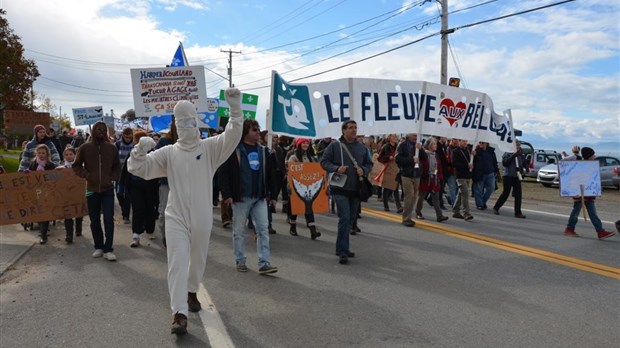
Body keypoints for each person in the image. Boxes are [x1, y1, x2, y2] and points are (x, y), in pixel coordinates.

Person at [127, 89, 243, 335]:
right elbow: (139, 168)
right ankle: (178, 313)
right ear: (175, 125)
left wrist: (235, 109)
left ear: (197, 121)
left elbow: (232, 136)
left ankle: (192, 291)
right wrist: (139, 150)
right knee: (177, 263)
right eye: (181, 122)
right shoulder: (169, 152)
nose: (186, 126)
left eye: (190, 120)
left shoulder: (210, 148)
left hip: (201, 216)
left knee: (197, 259)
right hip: (175, 216)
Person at [219, 119, 279, 274]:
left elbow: (271, 174)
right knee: (238, 231)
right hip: (241, 197)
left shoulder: (264, 151)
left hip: (259, 197)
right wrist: (227, 194)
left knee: (263, 230)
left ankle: (264, 263)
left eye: (258, 129)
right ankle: (240, 260)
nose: (258, 132)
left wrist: (273, 195)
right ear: (245, 132)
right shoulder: (234, 151)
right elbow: (223, 173)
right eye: (254, 130)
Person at [321, 120, 372, 265]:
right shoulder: (335, 146)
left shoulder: (361, 148)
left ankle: (342, 246)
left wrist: (364, 170)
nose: (354, 130)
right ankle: (343, 251)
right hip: (339, 188)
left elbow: (369, 163)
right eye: (350, 128)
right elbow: (323, 162)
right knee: (344, 217)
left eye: (355, 128)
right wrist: (336, 168)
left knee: (350, 220)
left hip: (356, 189)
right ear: (343, 130)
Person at [73, 121, 121, 261]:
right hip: (91, 189)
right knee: (94, 220)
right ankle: (98, 246)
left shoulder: (111, 148)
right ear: (93, 131)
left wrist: (112, 178)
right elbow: (76, 166)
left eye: (103, 129)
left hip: (107, 189)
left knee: (108, 219)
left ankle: (108, 249)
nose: (100, 131)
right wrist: (88, 176)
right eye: (98, 129)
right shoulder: (85, 148)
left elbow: (117, 167)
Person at [563, 147, 615, 240]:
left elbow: (592, 180)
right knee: (575, 213)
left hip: (589, 194)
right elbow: (573, 177)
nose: (594, 157)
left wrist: (596, 190)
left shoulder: (591, 166)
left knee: (593, 214)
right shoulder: (579, 165)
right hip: (580, 193)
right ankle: (569, 228)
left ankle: (600, 231)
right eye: (592, 155)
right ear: (589, 156)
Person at [121, 130, 159, 247]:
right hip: (135, 186)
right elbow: (125, 170)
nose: (135, 142)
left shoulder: (154, 154)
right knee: (137, 209)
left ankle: (150, 229)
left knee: (149, 208)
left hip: (150, 186)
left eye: (137, 140)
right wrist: (121, 185)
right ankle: (136, 235)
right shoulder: (133, 153)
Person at [286, 138, 321, 240]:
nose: (305, 144)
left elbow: (315, 171)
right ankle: (293, 227)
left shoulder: (312, 158)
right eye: (303, 143)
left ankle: (313, 230)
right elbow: (291, 172)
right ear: (299, 144)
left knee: (309, 207)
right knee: (295, 207)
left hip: (308, 186)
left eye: (307, 142)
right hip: (296, 185)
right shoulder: (293, 157)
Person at [153, 120, 178, 247]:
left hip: (183, 183)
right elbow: (155, 159)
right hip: (166, 183)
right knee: (163, 212)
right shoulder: (164, 141)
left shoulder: (191, 142)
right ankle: (166, 236)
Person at [28, 144, 57, 244]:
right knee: (38, 212)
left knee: (45, 213)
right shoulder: (33, 164)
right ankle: (42, 231)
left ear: (47, 154)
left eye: (43, 153)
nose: (41, 155)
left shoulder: (50, 165)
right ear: (36, 153)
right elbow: (29, 177)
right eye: (39, 153)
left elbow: (54, 179)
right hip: (35, 192)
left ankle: (43, 235)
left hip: (47, 193)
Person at [395, 133, 427, 226]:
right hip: (406, 174)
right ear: (408, 135)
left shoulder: (418, 146)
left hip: (416, 174)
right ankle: (406, 218)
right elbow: (398, 159)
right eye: (414, 135)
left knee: (414, 197)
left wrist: (420, 149)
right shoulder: (402, 145)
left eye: (416, 136)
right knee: (409, 195)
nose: (415, 137)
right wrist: (411, 159)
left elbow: (424, 158)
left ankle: (409, 216)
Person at [416, 138, 449, 222]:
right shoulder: (424, 154)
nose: (436, 145)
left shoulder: (436, 155)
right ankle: (418, 212)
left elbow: (438, 167)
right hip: (425, 179)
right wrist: (423, 174)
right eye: (434, 144)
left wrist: (438, 176)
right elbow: (421, 165)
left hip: (434, 179)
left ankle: (439, 215)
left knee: (436, 198)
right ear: (429, 145)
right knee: (421, 197)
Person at [492, 142, 527, 218]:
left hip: (516, 176)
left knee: (518, 194)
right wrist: (513, 156)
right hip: (508, 175)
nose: (517, 147)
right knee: (506, 193)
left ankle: (518, 212)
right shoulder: (508, 153)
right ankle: (496, 207)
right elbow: (505, 163)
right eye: (516, 146)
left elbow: (523, 163)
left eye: (518, 146)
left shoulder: (521, 154)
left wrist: (525, 169)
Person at [59, 146, 83, 243]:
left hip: (77, 194)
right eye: (66, 154)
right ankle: (69, 234)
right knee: (67, 213)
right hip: (66, 194)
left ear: (75, 155)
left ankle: (78, 229)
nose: (68, 156)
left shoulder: (80, 167)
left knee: (78, 212)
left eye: (71, 154)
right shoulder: (61, 168)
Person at [377, 134, 402, 213]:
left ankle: (399, 206)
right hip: (388, 168)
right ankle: (386, 205)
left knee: (395, 188)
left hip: (396, 169)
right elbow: (379, 158)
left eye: (396, 136)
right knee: (387, 188)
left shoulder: (398, 147)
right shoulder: (386, 146)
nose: (395, 138)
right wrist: (388, 158)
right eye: (393, 136)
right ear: (389, 138)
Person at [115, 127, 135, 224]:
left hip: (130, 173)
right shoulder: (117, 144)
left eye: (129, 137)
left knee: (127, 194)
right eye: (126, 137)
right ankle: (124, 207)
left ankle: (126, 215)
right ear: (123, 135)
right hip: (119, 173)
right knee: (119, 193)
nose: (128, 139)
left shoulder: (135, 145)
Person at [451, 139, 474, 220]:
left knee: (461, 194)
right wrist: (466, 165)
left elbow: (472, 162)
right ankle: (466, 213)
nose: (465, 143)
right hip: (460, 176)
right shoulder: (455, 151)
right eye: (463, 141)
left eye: (466, 141)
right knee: (465, 193)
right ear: (459, 141)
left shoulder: (468, 150)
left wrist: (474, 156)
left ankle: (455, 210)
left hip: (467, 175)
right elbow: (454, 163)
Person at [472, 142, 498, 210]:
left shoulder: (491, 152)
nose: (481, 144)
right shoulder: (476, 151)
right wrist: (473, 155)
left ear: (486, 144)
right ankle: (479, 204)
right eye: (480, 143)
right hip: (480, 173)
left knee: (491, 188)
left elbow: (494, 161)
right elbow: (472, 161)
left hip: (490, 172)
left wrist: (496, 170)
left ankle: (483, 201)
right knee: (478, 189)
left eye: (483, 143)